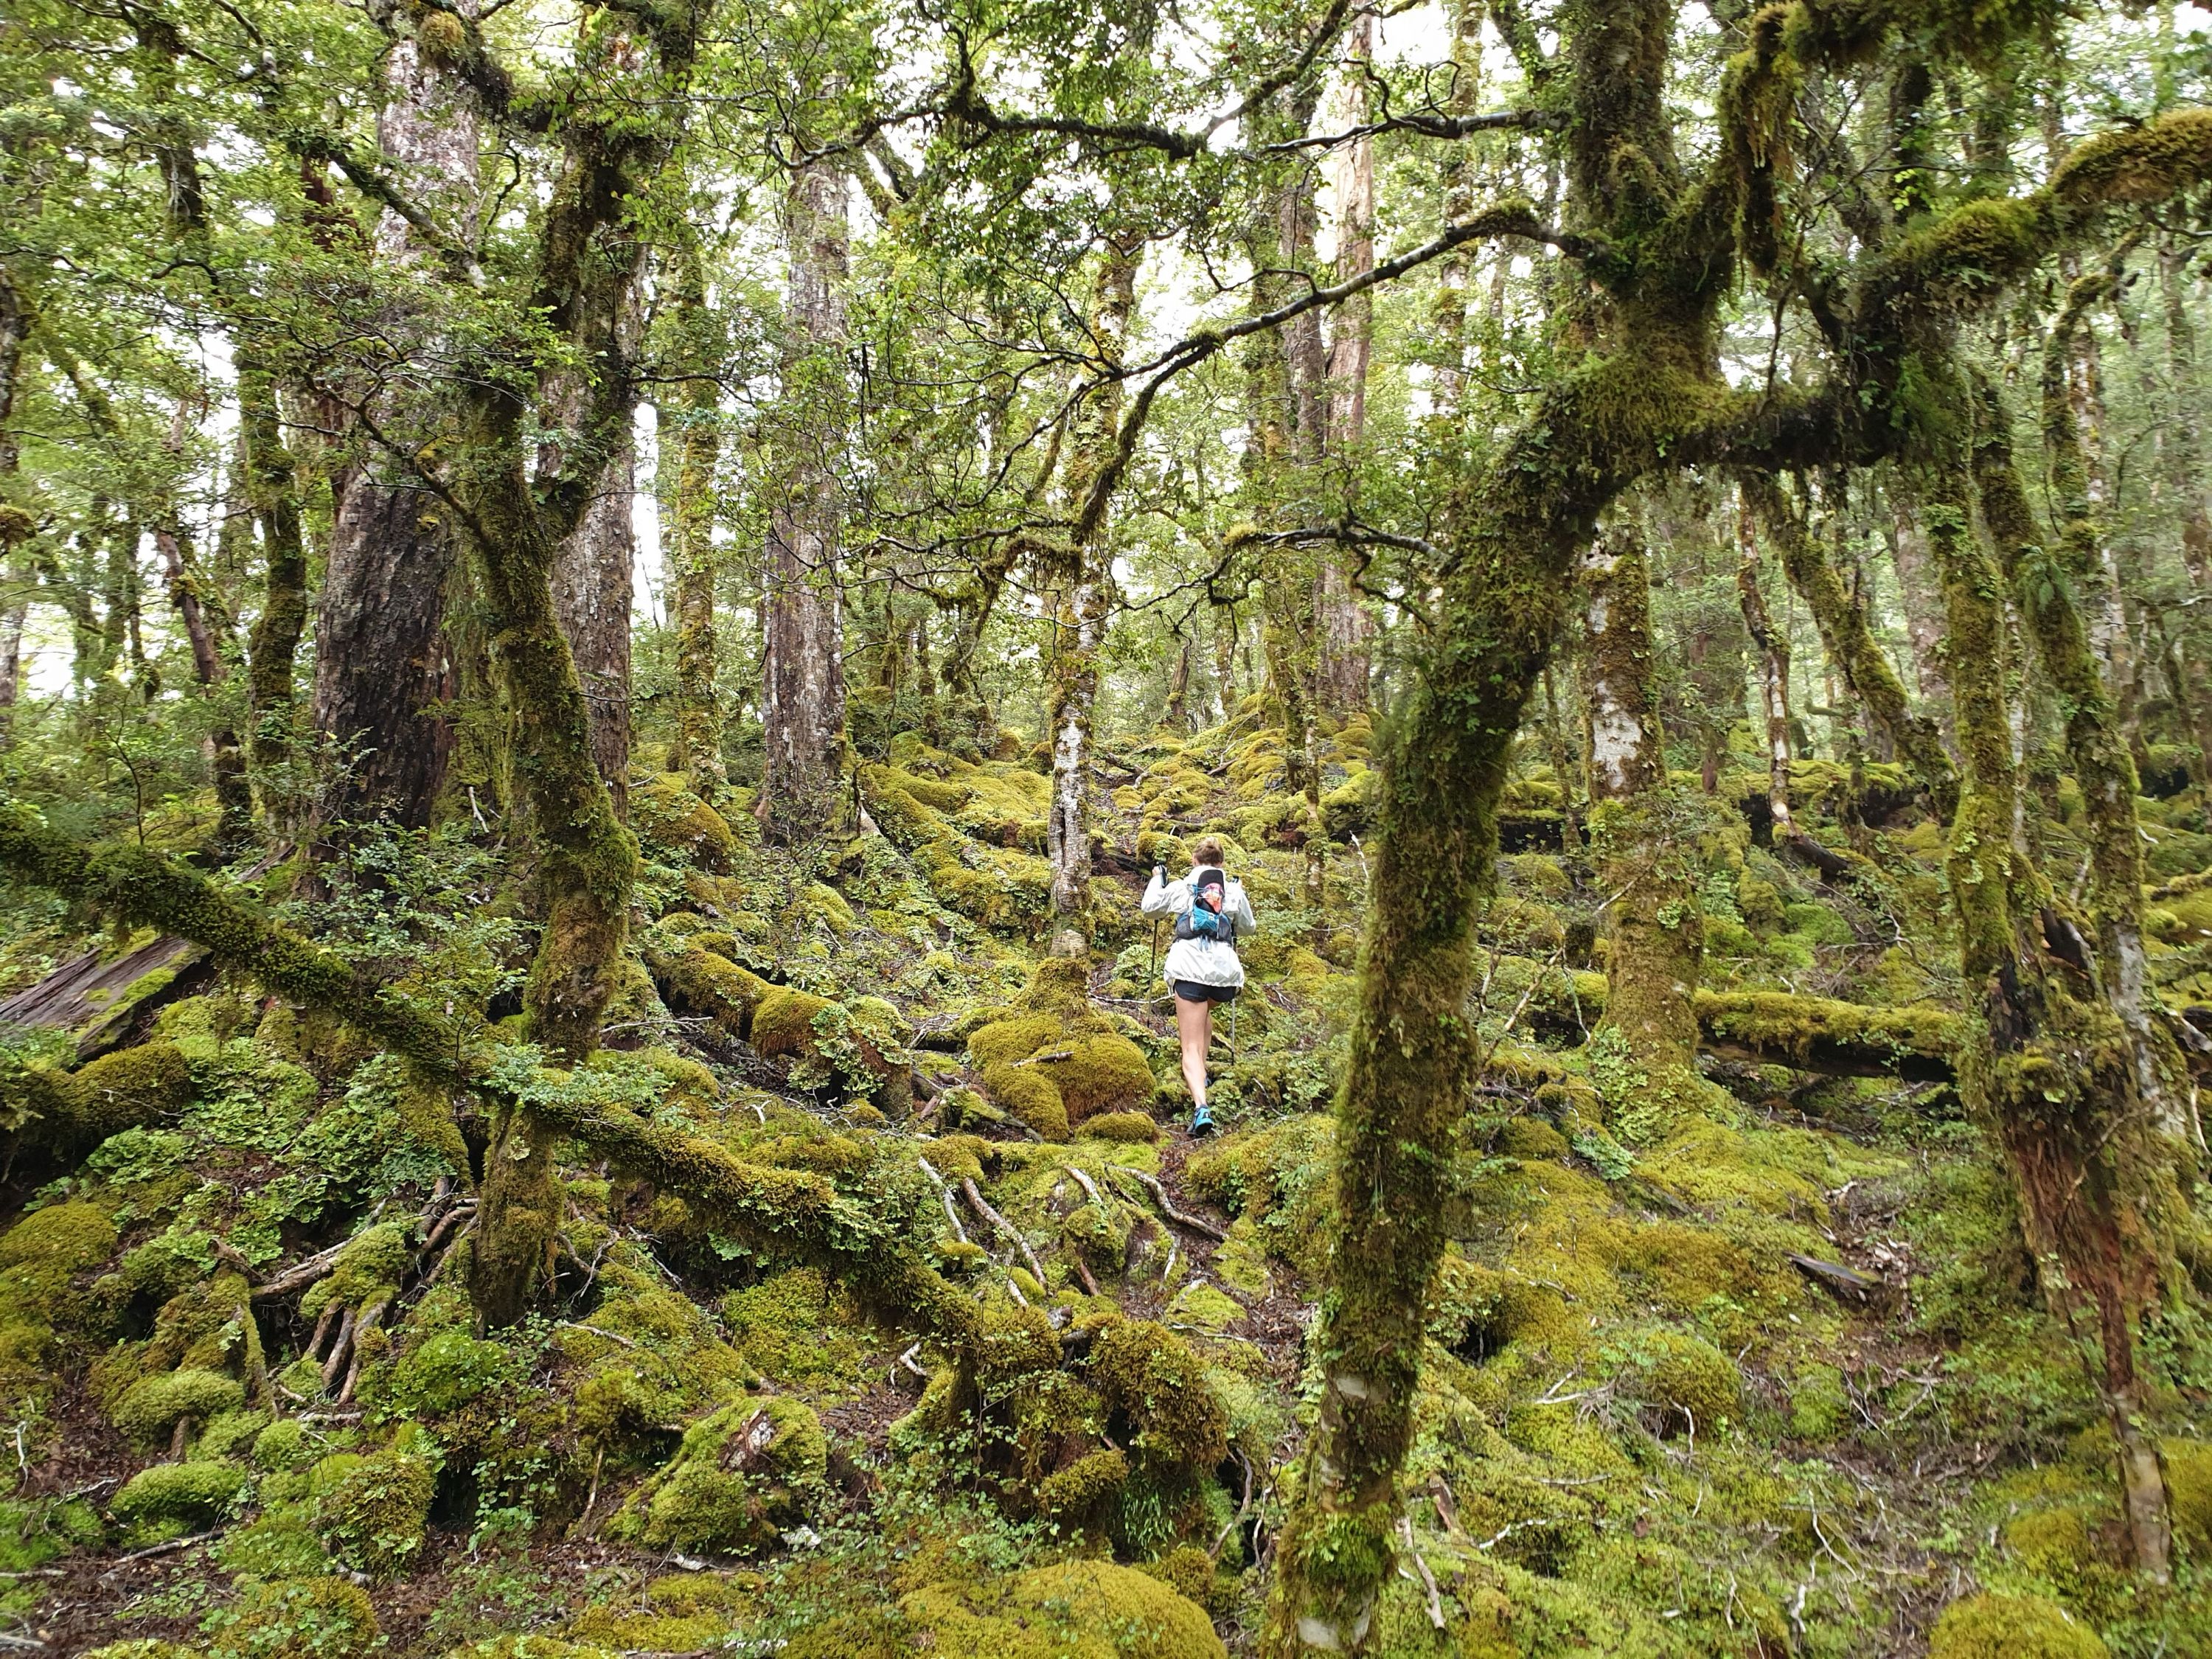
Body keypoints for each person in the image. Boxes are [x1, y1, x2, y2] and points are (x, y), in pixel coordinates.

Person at [1141, 835, 1256, 1135]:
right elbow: (1248, 928)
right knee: (1203, 1013)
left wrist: (1157, 879)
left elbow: (1149, 908)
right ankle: (1201, 1075)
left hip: (1190, 971)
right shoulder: (1232, 890)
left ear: (1194, 861)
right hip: (1225, 978)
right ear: (1222, 863)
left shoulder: (1182, 887)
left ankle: (1201, 1108)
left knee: (1190, 1046)